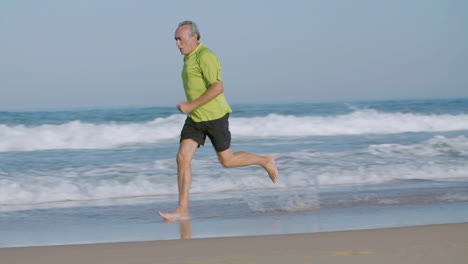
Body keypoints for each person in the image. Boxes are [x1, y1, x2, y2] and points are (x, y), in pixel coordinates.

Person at [158, 21, 278, 221]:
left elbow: (217, 87)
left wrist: (190, 105)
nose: (178, 44)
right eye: (176, 40)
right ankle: (182, 210)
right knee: (182, 157)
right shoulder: (188, 57)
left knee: (227, 161)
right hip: (196, 118)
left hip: (215, 116)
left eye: (181, 39)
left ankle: (264, 160)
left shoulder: (206, 56)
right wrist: (192, 109)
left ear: (194, 37)